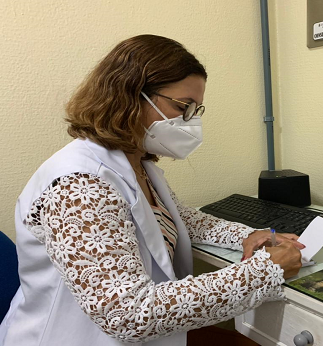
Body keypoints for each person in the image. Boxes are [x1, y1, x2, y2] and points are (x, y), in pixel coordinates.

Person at [0, 35, 304, 346]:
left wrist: (244, 235)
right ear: (129, 95)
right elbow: (127, 314)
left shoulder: (135, 162)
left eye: (196, 110)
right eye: (183, 107)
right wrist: (265, 271)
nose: (190, 122)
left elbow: (178, 217)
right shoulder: (79, 184)